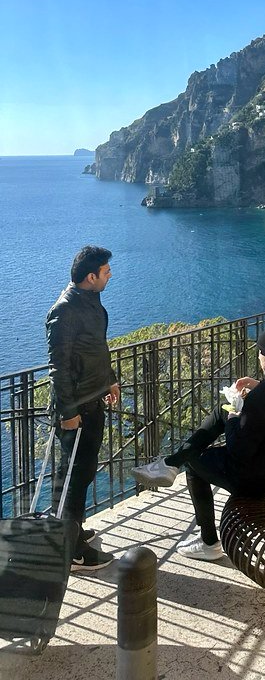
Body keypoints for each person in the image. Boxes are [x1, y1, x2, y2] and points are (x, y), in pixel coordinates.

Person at [132, 326, 265, 561]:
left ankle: (208, 541)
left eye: (260, 354)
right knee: (222, 411)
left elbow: (238, 449)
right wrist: (258, 387)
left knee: (195, 462)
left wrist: (234, 416)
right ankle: (170, 463)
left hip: (261, 479)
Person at [46, 245, 120, 572]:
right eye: (106, 271)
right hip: (76, 410)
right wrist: (68, 414)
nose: (110, 275)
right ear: (91, 276)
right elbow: (58, 368)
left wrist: (110, 380)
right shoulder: (64, 311)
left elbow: (96, 348)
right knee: (73, 478)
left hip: (92, 401)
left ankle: (71, 531)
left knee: (84, 473)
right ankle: (72, 552)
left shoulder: (90, 300)